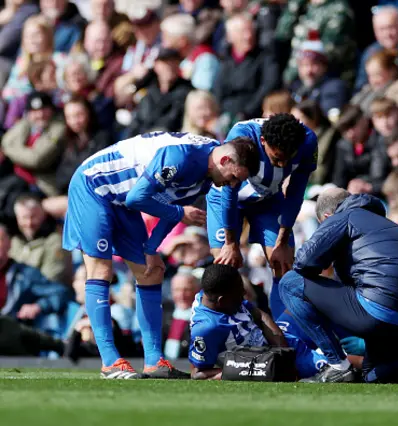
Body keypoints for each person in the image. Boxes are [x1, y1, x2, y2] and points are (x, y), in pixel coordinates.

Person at [62, 131, 260, 379]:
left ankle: (155, 361)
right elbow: (140, 199)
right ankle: (110, 362)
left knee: (152, 271)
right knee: (101, 270)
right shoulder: (181, 158)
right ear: (225, 161)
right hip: (94, 186)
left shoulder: (207, 173)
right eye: (234, 178)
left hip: (122, 200)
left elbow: (168, 203)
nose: (232, 185)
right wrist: (179, 214)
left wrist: (151, 249)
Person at [279, 189, 398, 383]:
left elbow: (303, 263)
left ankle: (338, 366)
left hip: (380, 310)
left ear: (327, 218)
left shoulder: (345, 216)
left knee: (289, 283)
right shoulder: (390, 225)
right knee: (372, 376)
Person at [207, 114, 317, 320]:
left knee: (283, 266)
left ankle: (285, 336)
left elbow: (295, 191)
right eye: (276, 158)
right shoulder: (241, 137)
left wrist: (283, 239)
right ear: (263, 142)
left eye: (288, 159)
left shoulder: (308, 141)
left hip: (268, 199)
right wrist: (231, 243)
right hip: (228, 197)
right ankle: (227, 334)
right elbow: (229, 192)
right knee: (223, 268)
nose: (283, 165)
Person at [189, 263, 327, 380]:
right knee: (339, 369)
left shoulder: (211, 293)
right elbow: (198, 373)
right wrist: (250, 371)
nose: (243, 293)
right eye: (239, 292)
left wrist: (284, 352)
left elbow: (260, 315)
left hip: (280, 340)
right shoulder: (207, 328)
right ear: (221, 300)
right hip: (269, 360)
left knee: (313, 301)